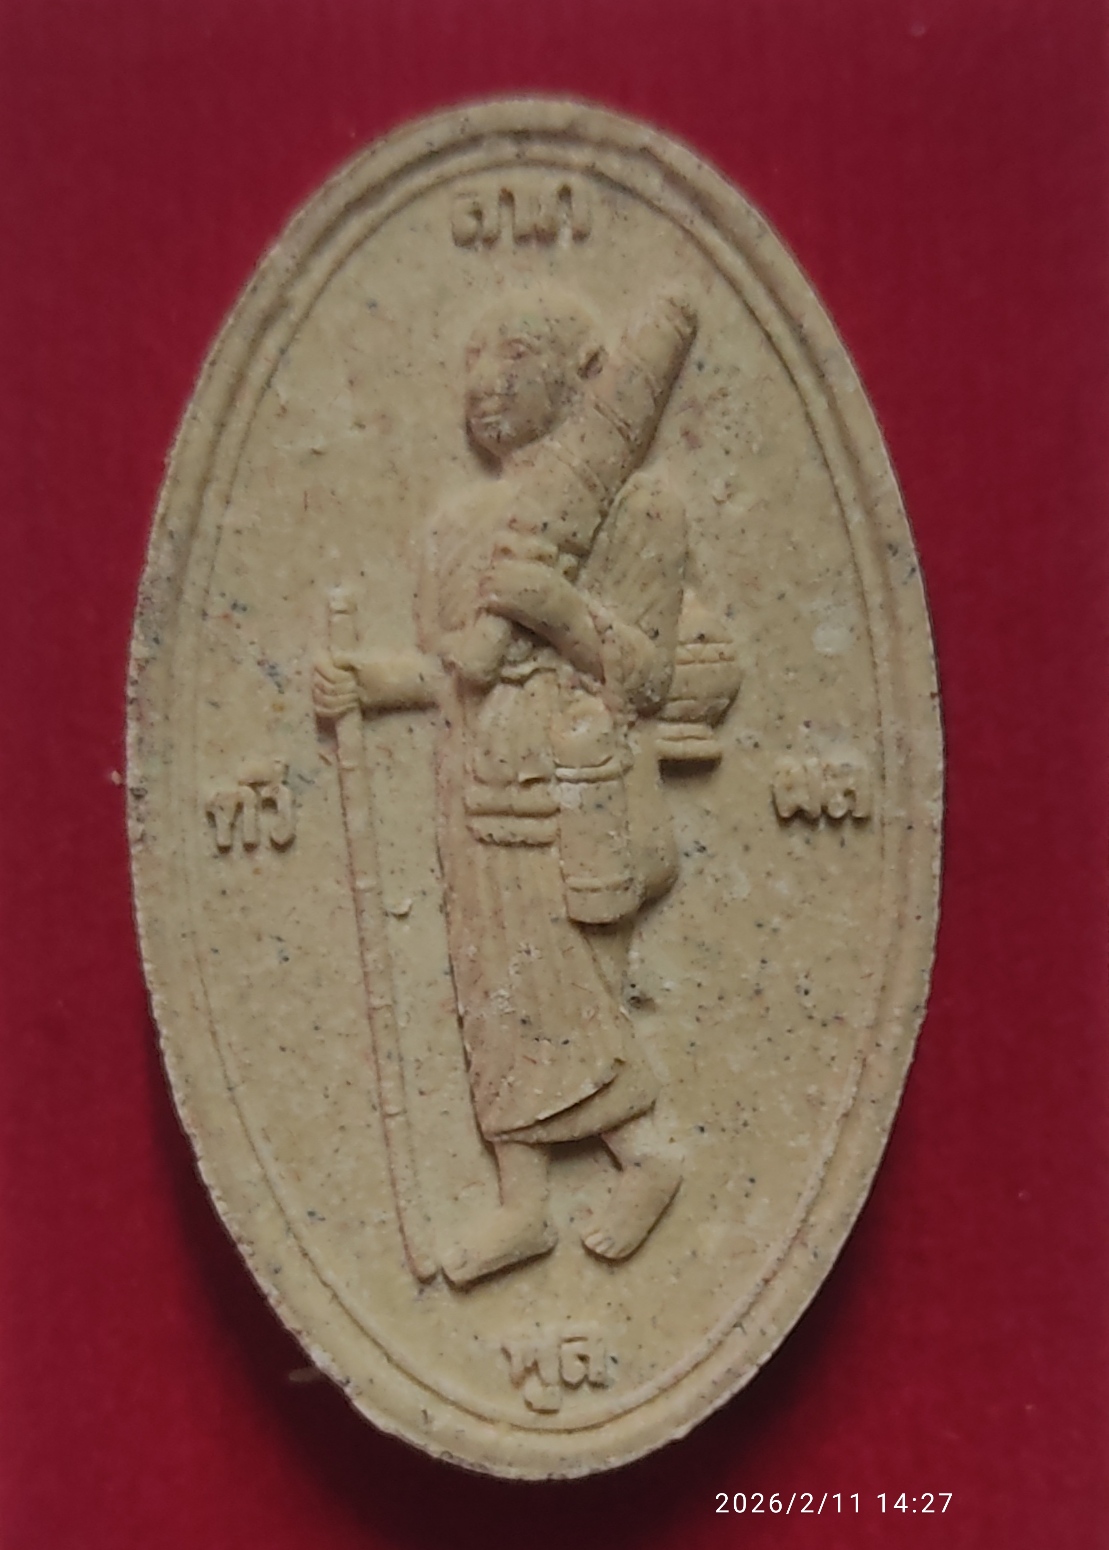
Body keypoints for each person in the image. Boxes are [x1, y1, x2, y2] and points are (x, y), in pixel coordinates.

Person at [315, 289, 694, 1286]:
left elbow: (646, 678)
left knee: (565, 991)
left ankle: (648, 1156)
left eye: (515, 355)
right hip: (471, 789)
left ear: (584, 376)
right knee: (491, 994)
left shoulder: (636, 508)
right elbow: (453, 672)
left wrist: (558, 609)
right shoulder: (451, 527)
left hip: (574, 797)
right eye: (474, 360)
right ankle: (521, 1205)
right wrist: (371, 681)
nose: (486, 383)